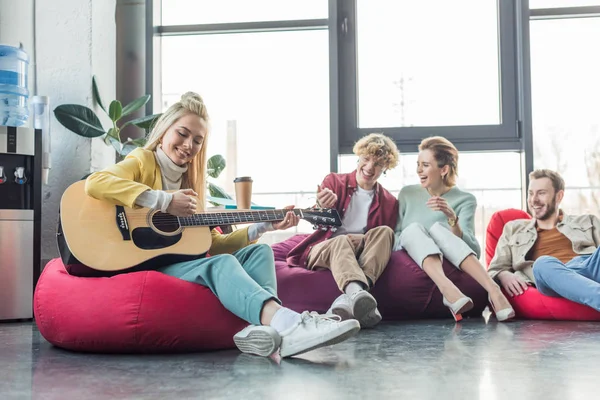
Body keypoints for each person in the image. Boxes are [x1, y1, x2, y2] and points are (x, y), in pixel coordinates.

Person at [85, 92, 360, 358]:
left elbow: (211, 245)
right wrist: (164, 201)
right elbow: (95, 182)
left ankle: (269, 331)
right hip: (148, 261)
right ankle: (289, 324)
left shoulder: (191, 187)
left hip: (178, 261)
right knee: (221, 265)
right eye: (182, 133)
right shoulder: (143, 161)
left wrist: (263, 227)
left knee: (260, 251)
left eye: (197, 140)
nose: (188, 144)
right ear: (165, 130)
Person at [394, 136, 514, 322]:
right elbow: (396, 236)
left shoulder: (465, 199)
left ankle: (493, 290)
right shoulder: (407, 193)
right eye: (418, 164)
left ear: (444, 169)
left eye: (425, 165)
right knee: (414, 229)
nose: (419, 170)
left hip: (449, 258)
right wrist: (424, 240)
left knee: (439, 228)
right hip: (410, 255)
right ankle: (447, 289)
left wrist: (452, 219)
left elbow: (473, 249)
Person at [287, 133, 400, 328]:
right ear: (359, 158)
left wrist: (362, 239)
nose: (370, 167)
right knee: (341, 241)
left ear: (385, 168)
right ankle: (357, 294)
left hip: (359, 254)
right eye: (366, 159)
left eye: (378, 163)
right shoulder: (334, 182)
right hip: (324, 248)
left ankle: (348, 302)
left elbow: (380, 245)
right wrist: (321, 205)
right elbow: (318, 222)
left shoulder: (389, 202)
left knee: (385, 232)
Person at [489, 169, 600, 311]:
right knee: (542, 263)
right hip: (550, 276)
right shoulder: (514, 229)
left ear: (559, 196)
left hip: (587, 266)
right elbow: (495, 268)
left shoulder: (587, 221)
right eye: (530, 193)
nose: (533, 200)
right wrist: (504, 275)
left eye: (541, 193)